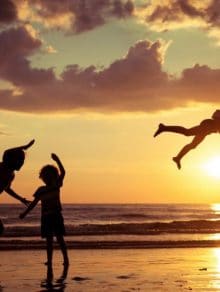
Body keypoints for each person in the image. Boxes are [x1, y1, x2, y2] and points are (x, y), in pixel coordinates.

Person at [19, 153, 69, 268]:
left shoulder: (56, 185)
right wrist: (24, 213)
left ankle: (66, 259)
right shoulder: (40, 190)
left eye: (49, 176)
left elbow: (63, 172)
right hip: (46, 217)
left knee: (60, 238)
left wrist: (57, 160)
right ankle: (49, 260)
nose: (46, 178)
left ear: (54, 176)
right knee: (49, 240)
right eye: (44, 176)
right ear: (42, 177)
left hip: (56, 215)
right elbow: (33, 204)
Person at [154, 110, 220, 169]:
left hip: (207, 127)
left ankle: (178, 158)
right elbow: (216, 117)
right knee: (188, 136)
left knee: (188, 136)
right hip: (207, 126)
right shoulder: (214, 122)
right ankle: (164, 128)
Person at [0, 139, 35, 234]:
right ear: (13, 160)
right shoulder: (3, 167)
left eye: (23, 161)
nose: (22, 163)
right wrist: (24, 147)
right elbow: (7, 152)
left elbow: (6, 188)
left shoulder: (11, 175)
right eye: (20, 160)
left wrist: (21, 199)